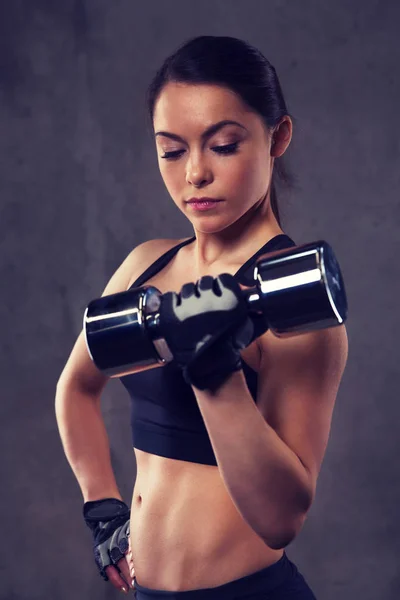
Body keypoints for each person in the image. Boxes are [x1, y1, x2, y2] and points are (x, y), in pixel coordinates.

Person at [55, 35, 348, 599]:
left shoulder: (294, 302)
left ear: (277, 136)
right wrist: (104, 510)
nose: (194, 174)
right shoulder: (146, 265)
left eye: (223, 145)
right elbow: (76, 387)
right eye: (171, 150)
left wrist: (216, 373)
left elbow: (282, 519)